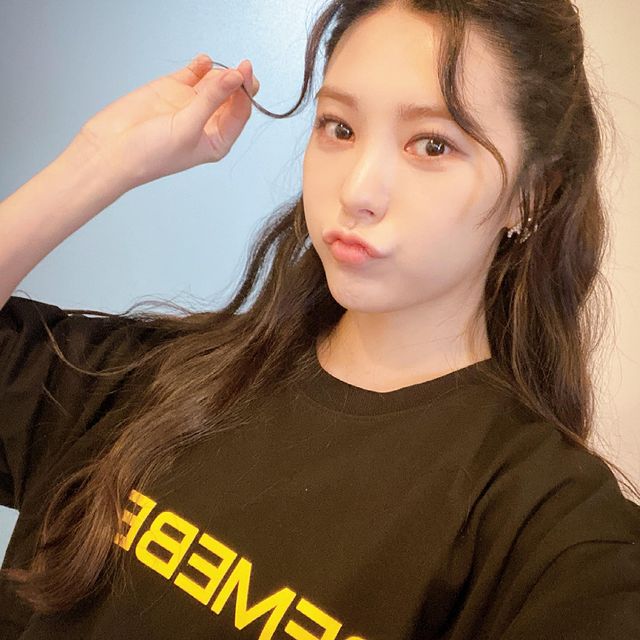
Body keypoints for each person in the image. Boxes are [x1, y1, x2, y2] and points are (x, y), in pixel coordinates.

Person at [1, 0, 639, 638]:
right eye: (339, 128)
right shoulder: (150, 383)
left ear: (532, 194)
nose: (357, 191)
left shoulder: (554, 535)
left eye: (432, 144)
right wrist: (98, 159)